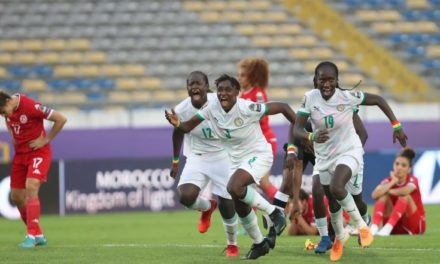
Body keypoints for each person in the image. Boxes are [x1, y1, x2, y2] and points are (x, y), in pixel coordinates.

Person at [165, 74, 297, 259]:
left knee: (234, 187)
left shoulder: (247, 107)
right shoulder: (212, 108)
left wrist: (300, 136)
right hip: (235, 160)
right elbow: (186, 127)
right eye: (220, 90)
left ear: (237, 92)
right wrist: (177, 123)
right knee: (241, 206)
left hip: (257, 155)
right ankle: (259, 243)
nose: (223, 94)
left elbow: (282, 107)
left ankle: (274, 212)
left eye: (228, 90)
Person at [293, 61, 408, 261]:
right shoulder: (309, 99)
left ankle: (363, 227)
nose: (326, 84)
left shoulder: (347, 98)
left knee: (340, 189)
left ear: (337, 81)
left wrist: (396, 125)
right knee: (334, 203)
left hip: (349, 151)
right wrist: (310, 137)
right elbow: (296, 129)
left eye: (331, 80)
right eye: (322, 80)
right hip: (324, 157)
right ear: (316, 81)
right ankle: (338, 238)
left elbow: (379, 100)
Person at [170, 71, 238, 257]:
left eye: (198, 83)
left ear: (207, 86)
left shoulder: (220, 101)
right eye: (190, 84)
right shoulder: (182, 109)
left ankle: (232, 244)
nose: (194, 87)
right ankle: (207, 207)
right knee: (185, 196)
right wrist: (176, 161)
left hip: (223, 155)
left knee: (227, 202)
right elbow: (178, 132)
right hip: (197, 156)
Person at [0, 90, 67, 248]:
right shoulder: (8, 113)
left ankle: (30, 235)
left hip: (38, 152)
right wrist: (13, 136)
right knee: (16, 197)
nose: (4, 116)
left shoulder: (30, 106)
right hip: (20, 155)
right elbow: (10, 123)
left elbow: (61, 119)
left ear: (7, 102)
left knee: (31, 187)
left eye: (2, 112)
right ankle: (38, 234)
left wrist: (46, 140)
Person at [237, 57, 278, 201]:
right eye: (239, 75)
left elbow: (260, 117)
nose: (239, 79)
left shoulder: (258, 94)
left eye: (243, 75)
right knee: (251, 184)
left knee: (261, 182)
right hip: (251, 143)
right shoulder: (242, 95)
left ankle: (289, 206)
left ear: (251, 76)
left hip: (264, 141)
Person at [370, 147, 425, 236]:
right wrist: (393, 182)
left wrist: (387, 190)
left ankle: (387, 228)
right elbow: (374, 195)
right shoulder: (388, 181)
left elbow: (405, 191)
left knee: (404, 195)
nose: (399, 167)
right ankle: (374, 228)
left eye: (403, 165)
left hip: (416, 225)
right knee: (383, 196)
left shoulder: (412, 180)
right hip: (396, 225)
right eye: (397, 164)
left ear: (409, 169)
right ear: (393, 165)